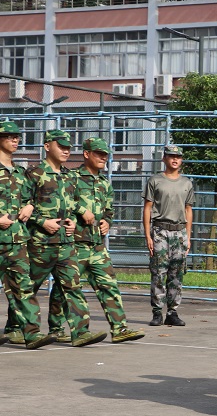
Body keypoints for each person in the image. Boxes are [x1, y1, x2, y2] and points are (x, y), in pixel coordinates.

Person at [48, 138, 145, 343]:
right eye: (99, 153)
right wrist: (82, 211)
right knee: (64, 288)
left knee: (109, 285)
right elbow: (62, 200)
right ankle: (56, 328)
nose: (103, 157)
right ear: (86, 154)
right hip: (74, 244)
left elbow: (109, 209)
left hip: (96, 245)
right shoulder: (71, 177)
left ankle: (120, 329)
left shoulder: (103, 182)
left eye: (106, 154)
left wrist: (107, 222)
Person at [23, 129, 106, 347]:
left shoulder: (69, 176)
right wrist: (42, 222)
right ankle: (18, 329)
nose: (66, 151)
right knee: (28, 288)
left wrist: (71, 221)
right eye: (61, 147)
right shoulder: (34, 174)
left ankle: (81, 332)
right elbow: (23, 207)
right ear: (47, 146)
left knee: (73, 287)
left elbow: (72, 205)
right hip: (40, 244)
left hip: (66, 244)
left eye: (69, 148)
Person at [0, 120, 56, 350]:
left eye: (17, 137)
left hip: (16, 241)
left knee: (23, 287)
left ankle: (32, 333)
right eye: (10, 136)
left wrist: (30, 206)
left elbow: (29, 198)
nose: (15, 140)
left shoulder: (21, 173)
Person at [142, 144, 193, 327]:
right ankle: (157, 313)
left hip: (179, 232)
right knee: (158, 273)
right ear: (164, 158)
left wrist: (188, 236)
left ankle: (172, 312)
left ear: (181, 160)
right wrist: (148, 235)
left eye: (178, 157)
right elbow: (147, 208)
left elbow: (188, 210)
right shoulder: (155, 181)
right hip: (160, 231)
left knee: (176, 274)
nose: (174, 159)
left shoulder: (187, 183)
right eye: (171, 156)